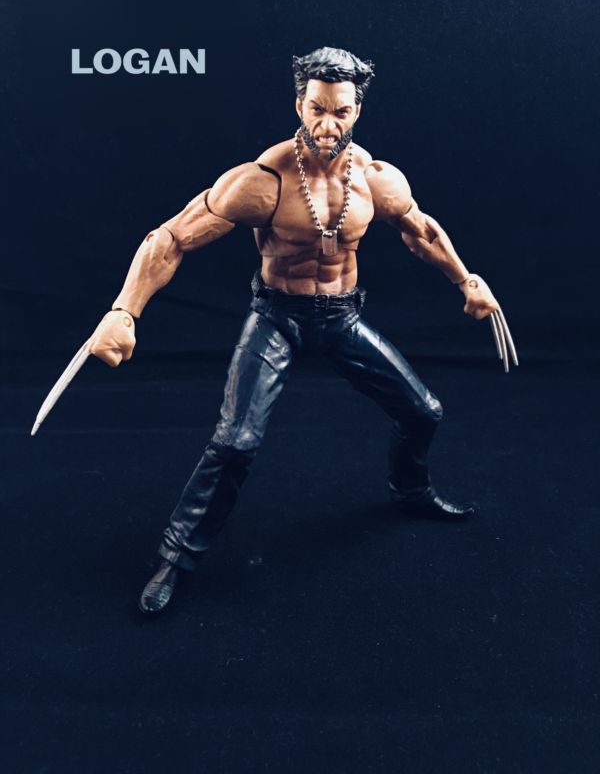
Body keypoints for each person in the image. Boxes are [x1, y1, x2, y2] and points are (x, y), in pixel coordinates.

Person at [88, 47, 510, 614]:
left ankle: (410, 493)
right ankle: (175, 556)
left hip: (342, 318)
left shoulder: (377, 180)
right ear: (299, 104)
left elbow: (421, 231)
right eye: (317, 108)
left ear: (357, 110)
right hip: (277, 319)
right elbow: (170, 238)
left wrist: (467, 280)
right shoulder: (261, 182)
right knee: (235, 442)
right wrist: (124, 312)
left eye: (340, 111)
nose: (327, 124)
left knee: (423, 411)